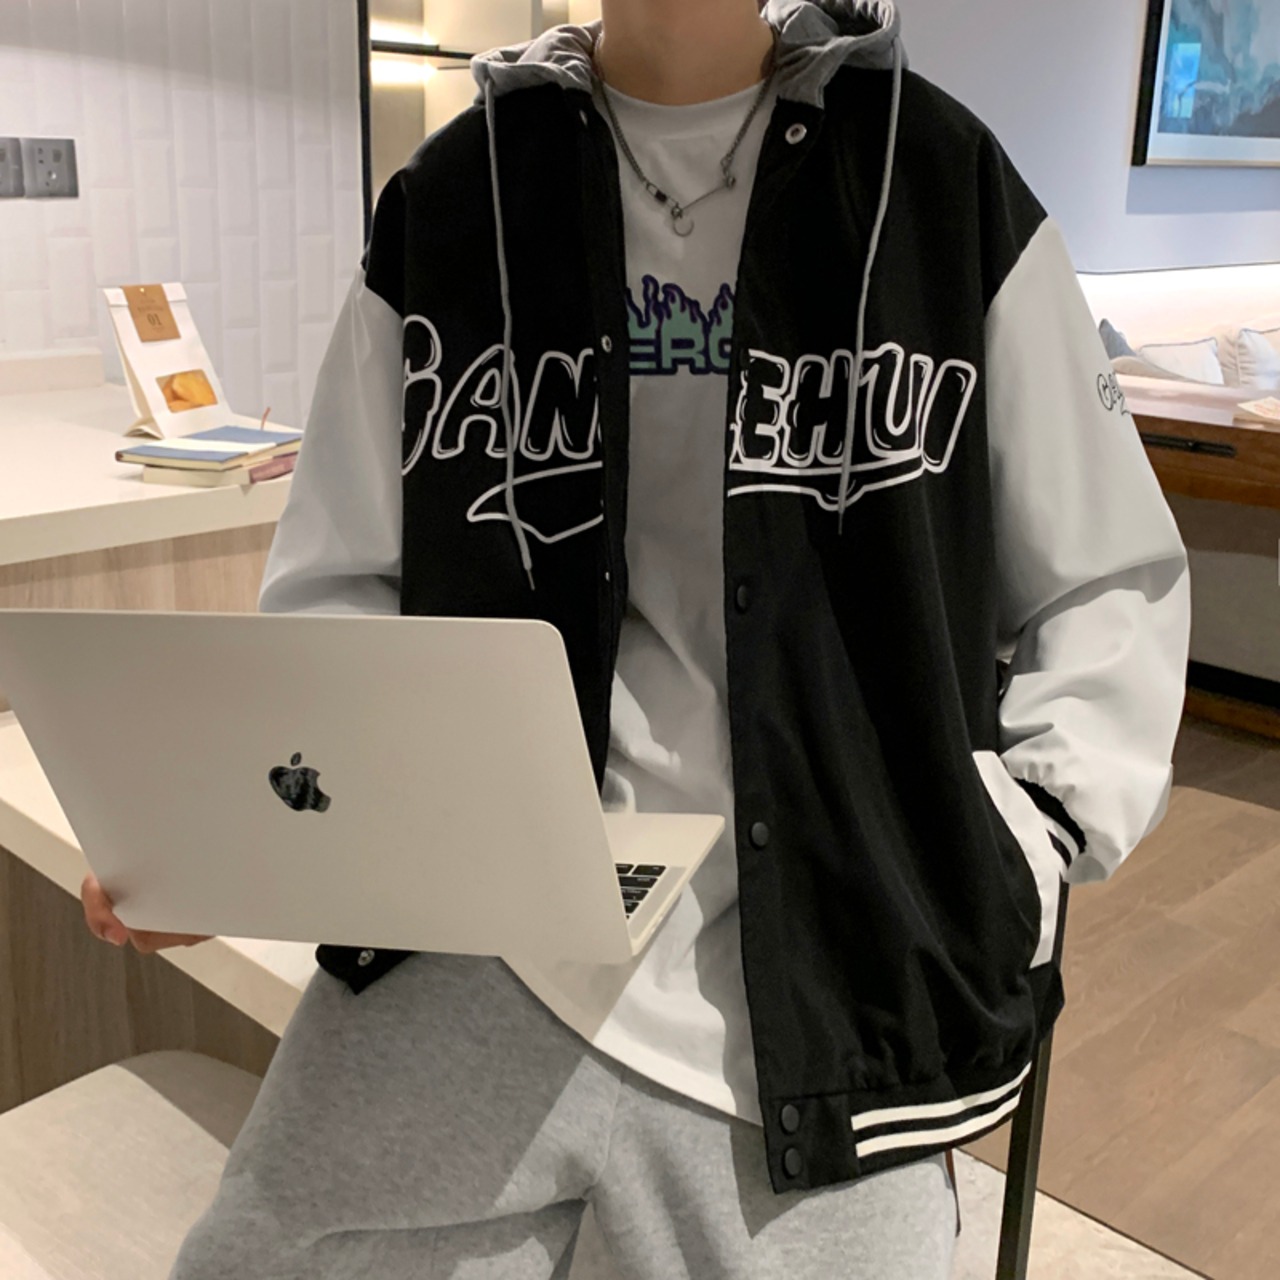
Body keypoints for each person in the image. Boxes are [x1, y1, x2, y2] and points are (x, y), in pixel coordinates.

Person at [83, 1, 1192, 1276]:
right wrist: (251, 843)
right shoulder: (456, 196)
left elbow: (1107, 576)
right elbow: (342, 580)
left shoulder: (935, 180)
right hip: (484, 923)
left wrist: (1027, 834)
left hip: (842, 957)